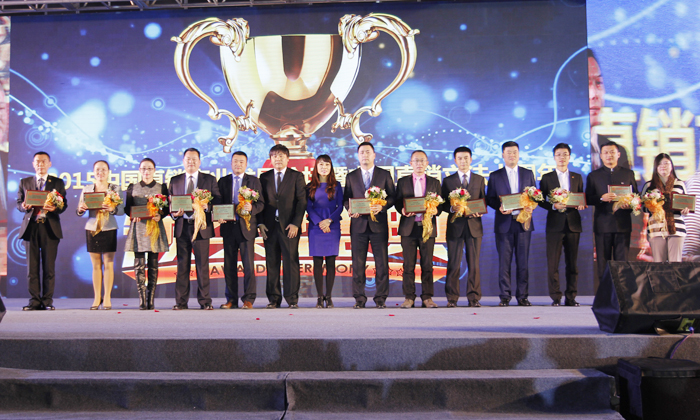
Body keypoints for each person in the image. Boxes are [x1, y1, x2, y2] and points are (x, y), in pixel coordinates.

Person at [343, 142, 396, 309]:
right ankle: (359, 298)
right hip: (358, 225)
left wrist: (382, 206)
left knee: (382, 263)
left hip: (378, 225)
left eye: (368, 152)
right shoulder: (351, 176)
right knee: (358, 263)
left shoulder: (384, 174)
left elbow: (393, 197)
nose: (365, 155)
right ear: (358, 156)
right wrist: (350, 209)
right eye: (362, 152)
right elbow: (346, 198)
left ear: (374, 155)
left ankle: (381, 298)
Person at [169, 148, 221, 310]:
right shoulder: (175, 181)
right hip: (183, 227)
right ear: (183, 161)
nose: (191, 162)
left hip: (201, 227)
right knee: (182, 265)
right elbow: (170, 204)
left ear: (199, 161)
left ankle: (205, 301)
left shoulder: (209, 180)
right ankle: (181, 302)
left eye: (194, 159)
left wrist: (208, 207)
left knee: (202, 265)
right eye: (188, 159)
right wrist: (174, 214)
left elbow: (218, 200)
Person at [486, 141, 536, 307]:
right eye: (508, 152)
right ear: (503, 155)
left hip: (523, 222)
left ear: (519, 154)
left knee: (523, 262)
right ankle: (505, 296)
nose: (512, 155)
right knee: (504, 262)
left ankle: (523, 296)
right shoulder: (495, 175)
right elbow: (490, 198)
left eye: (514, 152)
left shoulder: (528, 173)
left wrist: (531, 205)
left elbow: (535, 195)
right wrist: (499, 207)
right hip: (504, 223)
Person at [16, 151, 67, 311]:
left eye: (44, 161)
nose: (40, 164)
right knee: (32, 268)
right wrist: (23, 206)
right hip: (31, 228)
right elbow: (18, 203)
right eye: (37, 161)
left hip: (49, 228)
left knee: (49, 267)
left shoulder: (57, 183)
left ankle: (47, 301)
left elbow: (63, 205)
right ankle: (34, 301)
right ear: (33, 164)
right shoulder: (25, 182)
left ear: (49, 164)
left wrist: (55, 208)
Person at [259, 144, 307, 309]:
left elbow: (302, 201)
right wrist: (260, 223)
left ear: (287, 158)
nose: (277, 159)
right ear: (270, 159)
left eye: (281, 156)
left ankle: (292, 298)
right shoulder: (264, 178)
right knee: (271, 262)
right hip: (269, 227)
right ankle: (274, 299)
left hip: (289, 227)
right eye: (274, 156)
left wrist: (296, 223)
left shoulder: (296, 176)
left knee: (290, 262)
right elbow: (260, 202)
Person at [539, 144, 586, 307]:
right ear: (554, 157)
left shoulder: (577, 177)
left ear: (569, 157)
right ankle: (556, 297)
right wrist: (553, 206)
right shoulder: (547, 177)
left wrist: (581, 204)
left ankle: (571, 296)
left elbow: (580, 197)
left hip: (573, 224)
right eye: (558, 154)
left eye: (565, 154)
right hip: (554, 225)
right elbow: (540, 200)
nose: (562, 157)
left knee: (572, 263)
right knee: (553, 263)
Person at [217, 151, 264, 309]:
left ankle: (248, 299)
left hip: (247, 228)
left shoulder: (254, 181)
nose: (238, 164)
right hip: (228, 227)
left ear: (246, 164)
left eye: (241, 162)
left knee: (248, 265)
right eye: (235, 161)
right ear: (231, 163)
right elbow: (218, 203)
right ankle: (231, 299)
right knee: (229, 265)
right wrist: (218, 215)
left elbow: (261, 204)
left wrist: (252, 208)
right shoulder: (223, 181)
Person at [395, 150, 441, 308]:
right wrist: (402, 210)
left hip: (427, 228)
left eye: (422, 161)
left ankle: (427, 297)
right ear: (411, 163)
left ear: (427, 163)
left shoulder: (435, 182)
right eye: (416, 161)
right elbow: (397, 202)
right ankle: (409, 297)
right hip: (409, 228)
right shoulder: (402, 182)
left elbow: (440, 205)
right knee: (408, 265)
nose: (419, 164)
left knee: (427, 265)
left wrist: (436, 210)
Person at [585, 140, 638, 280]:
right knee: (603, 264)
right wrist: (601, 198)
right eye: (606, 153)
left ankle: (622, 292)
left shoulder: (628, 174)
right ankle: (605, 292)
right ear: (601, 155)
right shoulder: (594, 175)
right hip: (603, 225)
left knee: (622, 263)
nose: (609, 155)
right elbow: (588, 199)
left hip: (623, 224)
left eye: (612, 152)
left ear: (618, 154)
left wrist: (630, 204)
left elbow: (636, 197)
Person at [441, 146, 485, 308]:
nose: (463, 161)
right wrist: (452, 208)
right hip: (455, 227)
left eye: (466, 158)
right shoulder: (448, 181)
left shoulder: (479, 179)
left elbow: (483, 200)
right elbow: (442, 204)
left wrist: (480, 211)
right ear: (455, 160)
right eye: (460, 158)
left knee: (474, 264)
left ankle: (474, 297)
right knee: (454, 263)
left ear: (471, 159)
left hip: (474, 227)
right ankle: (452, 298)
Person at [77, 160, 122, 310]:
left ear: (108, 172)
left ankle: (107, 297)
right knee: (96, 265)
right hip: (92, 228)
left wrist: (112, 209)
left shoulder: (115, 189)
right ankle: (97, 297)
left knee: (108, 263)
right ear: (93, 172)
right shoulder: (87, 189)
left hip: (109, 227)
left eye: (103, 170)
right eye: (97, 169)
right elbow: (79, 210)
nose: (100, 172)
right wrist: (81, 209)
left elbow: (121, 210)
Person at [125, 158, 169, 310]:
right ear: (139, 170)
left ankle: (151, 299)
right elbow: (127, 208)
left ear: (154, 170)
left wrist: (160, 215)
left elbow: (166, 208)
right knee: (139, 265)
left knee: (153, 264)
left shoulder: (161, 187)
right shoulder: (133, 187)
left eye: (149, 168)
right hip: (138, 228)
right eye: (143, 168)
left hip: (154, 227)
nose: (146, 171)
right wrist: (133, 215)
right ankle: (142, 299)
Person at [306, 155, 344, 309]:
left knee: (330, 262)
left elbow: (340, 206)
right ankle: (319, 297)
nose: (324, 167)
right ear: (316, 167)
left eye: (327, 165)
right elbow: (308, 207)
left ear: (331, 167)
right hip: (315, 227)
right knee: (317, 262)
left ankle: (329, 297)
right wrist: (319, 222)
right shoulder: (310, 186)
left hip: (332, 226)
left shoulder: (337, 185)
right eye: (321, 164)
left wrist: (329, 221)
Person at [640, 154, 689, 262]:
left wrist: (685, 211)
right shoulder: (649, 186)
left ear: (671, 166)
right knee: (659, 264)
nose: (663, 166)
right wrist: (654, 207)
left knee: (675, 264)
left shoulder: (680, 184)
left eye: (666, 163)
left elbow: (685, 203)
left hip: (677, 228)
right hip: (656, 228)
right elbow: (642, 207)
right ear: (656, 167)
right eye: (660, 164)